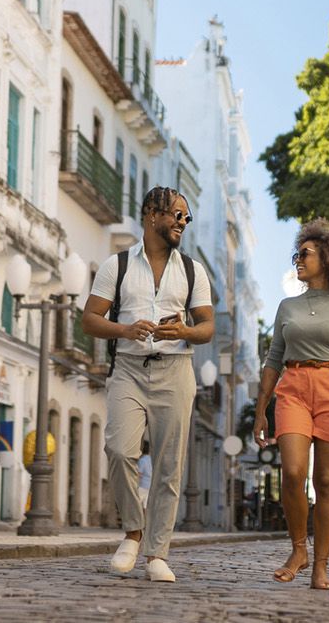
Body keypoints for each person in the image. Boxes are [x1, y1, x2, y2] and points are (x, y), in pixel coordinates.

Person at [81, 186, 215, 582]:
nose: (182, 223)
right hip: (128, 368)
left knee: (168, 466)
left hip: (176, 371)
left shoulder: (193, 270)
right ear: (152, 215)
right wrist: (124, 328)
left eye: (186, 218)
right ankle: (133, 532)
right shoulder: (116, 265)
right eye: (177, 214)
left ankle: (157, 553)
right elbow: (90, 319)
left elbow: (208, 327)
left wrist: (185, 332)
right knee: (119, 450)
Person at [255, 219, 329, 591]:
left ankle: (321, 566)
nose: (298, 260)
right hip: (292, 387)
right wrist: (261, 409)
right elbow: (273, 358)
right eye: (297, 253)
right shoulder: (287, 306)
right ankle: (298, 550)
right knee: (292, 472)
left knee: (325, 481)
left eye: (304, 254)